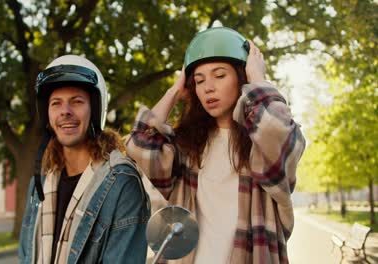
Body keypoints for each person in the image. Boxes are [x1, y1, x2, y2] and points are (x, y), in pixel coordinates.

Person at [126, 27, 305, 263]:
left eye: (220, 75)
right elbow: (140, 143)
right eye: (199, 81)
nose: (208, 87)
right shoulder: (188, 147)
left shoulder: (260, 146)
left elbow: (277, 130)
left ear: (242, 78)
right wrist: (175, 90)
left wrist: (258, 79)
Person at [19, 55, 150, 264]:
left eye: (77, 101)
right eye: (56, 103)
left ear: (95, 110)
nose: (65, 111)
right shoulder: (40, 184)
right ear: (47, 114)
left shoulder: (122, 183)